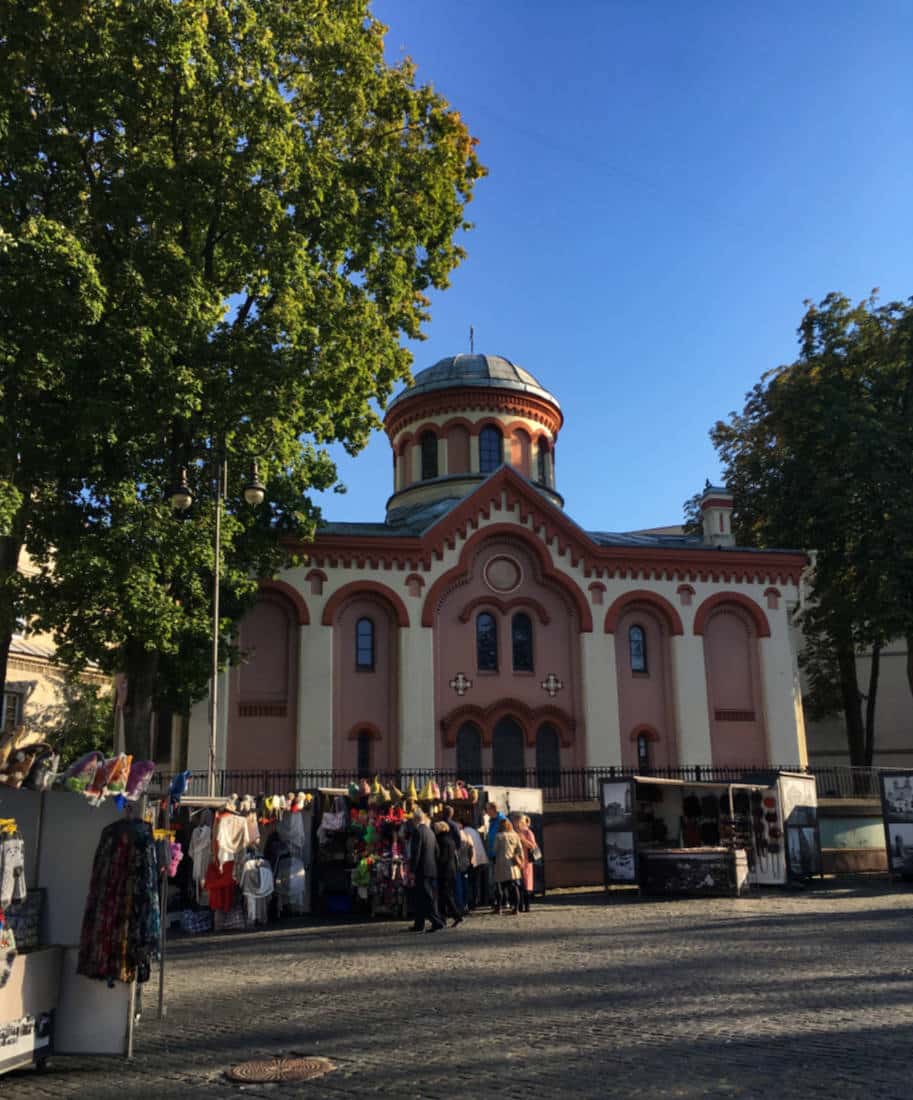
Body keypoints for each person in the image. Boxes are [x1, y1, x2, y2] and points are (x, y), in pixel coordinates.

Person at [407, 810, 444, 933]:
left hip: (421, 869)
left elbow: (415, 853)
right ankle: (419, 923)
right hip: (431, 868)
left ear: (415, 820)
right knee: (422, 897)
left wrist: (412, 869)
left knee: (426, 897)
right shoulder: (430, 832)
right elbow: (437, 851)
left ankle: (436, 921)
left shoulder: (418, 832)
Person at [433, 821, 463, 927]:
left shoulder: (440, 840)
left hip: (444, 871)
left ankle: (456, 915)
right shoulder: (450, 840)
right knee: (446, 894)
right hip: (451, 870)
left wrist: (436, 864)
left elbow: (442, 857)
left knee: (445, 895)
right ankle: (443, 917)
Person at [493, 818, 523, 916]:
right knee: (514, 887)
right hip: (513, 864)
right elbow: (520, 850)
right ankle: (516, 909)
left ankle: (500, 908)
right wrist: (519, 860)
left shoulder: (499, 836)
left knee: (500, 887)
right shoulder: (516, 835)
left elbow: (494, 849)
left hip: (501, 864)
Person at [484, 801, 507, 911]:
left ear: (493, 809)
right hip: (493, 854)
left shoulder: (501, 820)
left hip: (499, 855)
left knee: (498, 880)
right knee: (496, 881)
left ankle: (501, 903)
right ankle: (499, 903)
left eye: (487, 809)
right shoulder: (492, 821)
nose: (486, 811)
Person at [513, 813, 538, 913]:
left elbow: (533, 846)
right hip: (517, 861)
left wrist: (522, 839)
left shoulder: (528, 832)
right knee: (518, 884)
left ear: (521, 822)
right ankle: (519, 906)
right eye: (514, 821)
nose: (515, 823)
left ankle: (527, 906)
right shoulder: (514, 832)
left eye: (517, 821)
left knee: (526, 884)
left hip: (527, 861)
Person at [462, 821, 487, 909]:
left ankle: (472, 902)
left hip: (473, 860)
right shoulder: (474, 831)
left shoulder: (465, 831)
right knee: (476, 882)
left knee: (471, 882)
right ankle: (477, 900)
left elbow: (469, 846)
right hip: (481, 859)